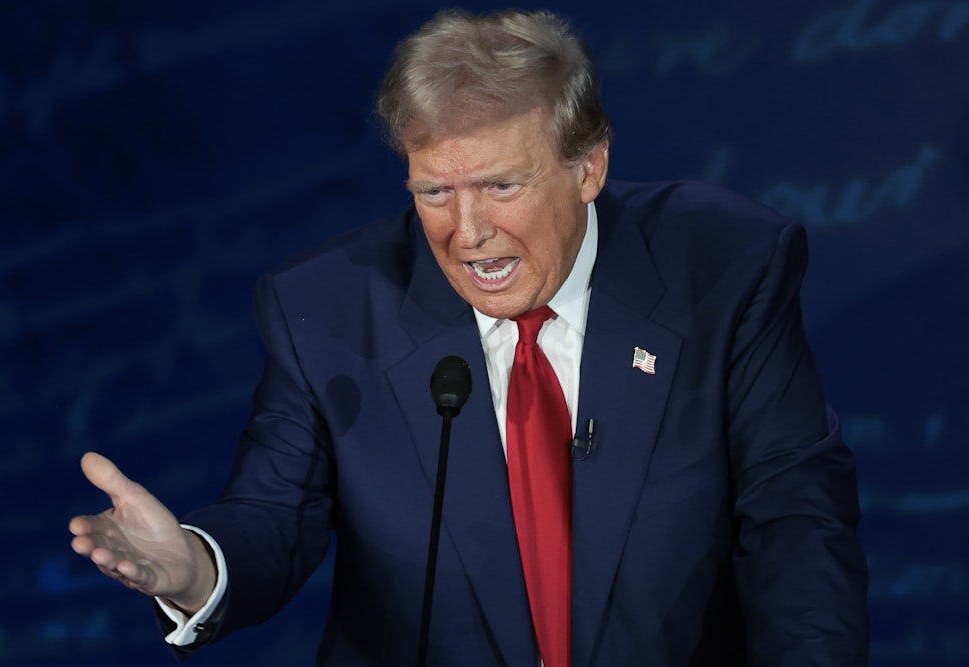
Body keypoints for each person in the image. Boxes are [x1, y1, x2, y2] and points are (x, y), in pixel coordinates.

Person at [69, 8, 869, 666]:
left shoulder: (724, 268)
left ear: (588, 167)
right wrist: (192, 567)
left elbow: (796, 521)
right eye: (434, 192)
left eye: (500, 185)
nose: (467, 231)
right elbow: (274, 513)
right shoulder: (330, 309)